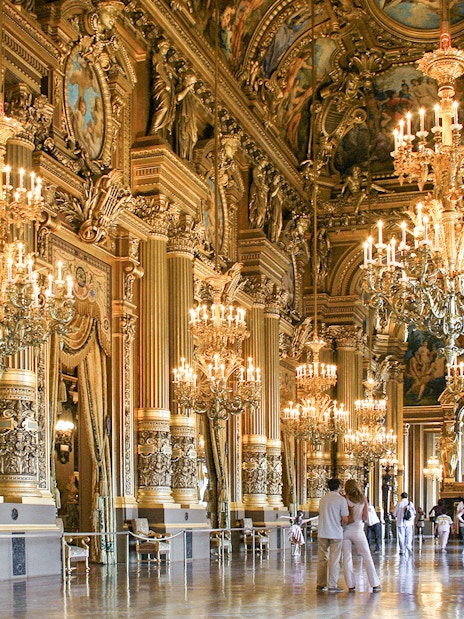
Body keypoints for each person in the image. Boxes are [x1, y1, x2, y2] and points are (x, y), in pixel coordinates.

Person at [342, 479, 381, 592]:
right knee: (367, 556)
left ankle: (350, 585)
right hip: (358, 530)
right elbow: (364, 517)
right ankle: (375, 583)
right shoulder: (363, 499)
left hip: (346, 530)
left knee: (347, 558)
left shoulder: (344, 499)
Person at [316, 478, 349, 593]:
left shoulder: (323, 499)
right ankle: (332, 584)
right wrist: (342, 525)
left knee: (322, 559)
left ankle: (320, 583)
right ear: (339, 487)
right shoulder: (341, 500)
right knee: (334, 560)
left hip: (322, 531)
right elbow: (345, 518)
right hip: (335, 533)